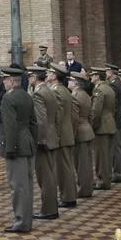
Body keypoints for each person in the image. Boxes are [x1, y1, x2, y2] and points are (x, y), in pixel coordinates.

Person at [0, 67, 36, 233]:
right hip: (27, 142)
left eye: (5, 80)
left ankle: (21, 221)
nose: (3, 83)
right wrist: (32, 141)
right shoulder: (27, 96)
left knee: (18, 186)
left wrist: (9, 148)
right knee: (27, 185)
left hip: (16, 146)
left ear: (12, 81)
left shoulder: (9, 98)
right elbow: (34, 123)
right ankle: (27, 220)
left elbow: (10, 126)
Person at [27, 66, 59, 220]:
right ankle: (51, 208)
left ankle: (48, 209)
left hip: (44, 139)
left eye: (29, 76)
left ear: (34, 77)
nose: (28, 79)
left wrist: (39, 140)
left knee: (45, 178)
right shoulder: (49, 91)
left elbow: (40, 121)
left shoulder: (38, 93)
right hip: (52, 136)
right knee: (50, 175)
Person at [47, 65, 77, 208]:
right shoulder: (64, 90)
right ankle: (68, 195)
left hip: (61, 135)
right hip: (67, 132)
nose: (47, 74)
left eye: (49, 73)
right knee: (66, 166)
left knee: (63, 168)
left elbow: (57, 116)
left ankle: (68, 197)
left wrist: (56, 136)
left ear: (54, 76)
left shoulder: (56, 91)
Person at [69, 73, 95, 199]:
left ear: (76, 83)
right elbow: (90, 115)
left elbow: (74, 118)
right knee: (86, 163)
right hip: (87, 129)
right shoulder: (85, 95)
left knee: (81, 164)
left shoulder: (75, 96)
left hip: (79, 131)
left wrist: (72, 134)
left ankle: (84, 189)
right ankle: (88, 187)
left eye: (71, 80)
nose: (69, 82)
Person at [90, 65, 115, 191]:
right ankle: (107, 178)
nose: (91, 77)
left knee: (101, 156)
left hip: (102, 126)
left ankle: (103, 180)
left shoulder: (99, 90)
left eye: (93, 75)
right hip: (110, 123)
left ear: (97, 76)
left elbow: (96, 111)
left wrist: (93, 126)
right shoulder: (108, 88)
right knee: (107, 155)